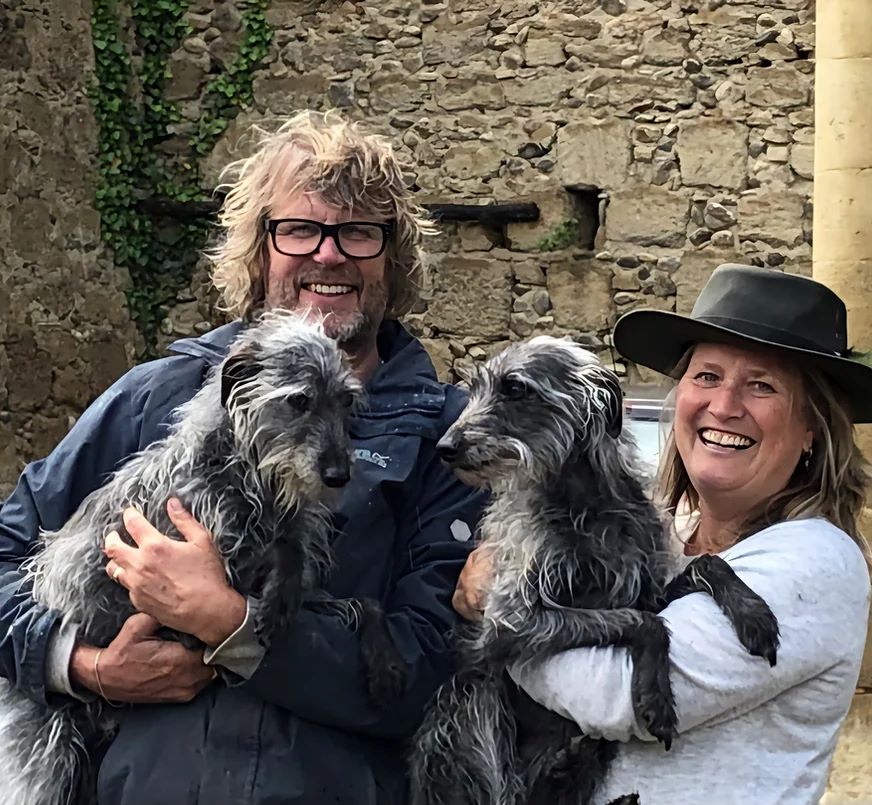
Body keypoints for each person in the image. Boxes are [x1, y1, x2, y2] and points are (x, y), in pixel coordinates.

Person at [0, 111, 486, 804]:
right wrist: (82, 664)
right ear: (259, 250)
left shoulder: (446, 439)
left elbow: (432, 669)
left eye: (359, 231)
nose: (329, 255)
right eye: (299, 229)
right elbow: (7, 551)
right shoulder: (154, 396)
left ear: (392, 256)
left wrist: (233, 625)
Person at [452, 264, 872, 804]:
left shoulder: (815, 560)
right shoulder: (671, 533)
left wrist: (494, 603)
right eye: (707, 376)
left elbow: (613, 698)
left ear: (812, 429)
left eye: (761, 386)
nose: (724, 406)